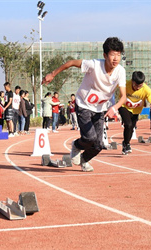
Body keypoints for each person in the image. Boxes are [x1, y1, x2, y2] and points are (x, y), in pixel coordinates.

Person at [42, 37, 127, 172]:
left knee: (99, 145)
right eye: (112, 54)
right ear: (105, 55)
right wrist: (52, 74)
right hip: (83, 104)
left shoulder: (120, 71)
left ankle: (84, 160)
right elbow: (70, 63)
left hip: (100, 109)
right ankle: (76, 145)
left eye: (118, 54)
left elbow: (124, 96)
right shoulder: (94, 65)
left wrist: (114, 107)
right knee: (89, 138)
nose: (116, 58)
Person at [119, 71, 151, 154]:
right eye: (136, 85)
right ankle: (127, 144)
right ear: (132, 81)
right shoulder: (125, 84)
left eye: (140, 86)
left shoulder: (146, 89)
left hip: (136, 110)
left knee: (131, 128)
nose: (138, 88)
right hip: (124, 107)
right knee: (128, 124)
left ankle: (125, 143)